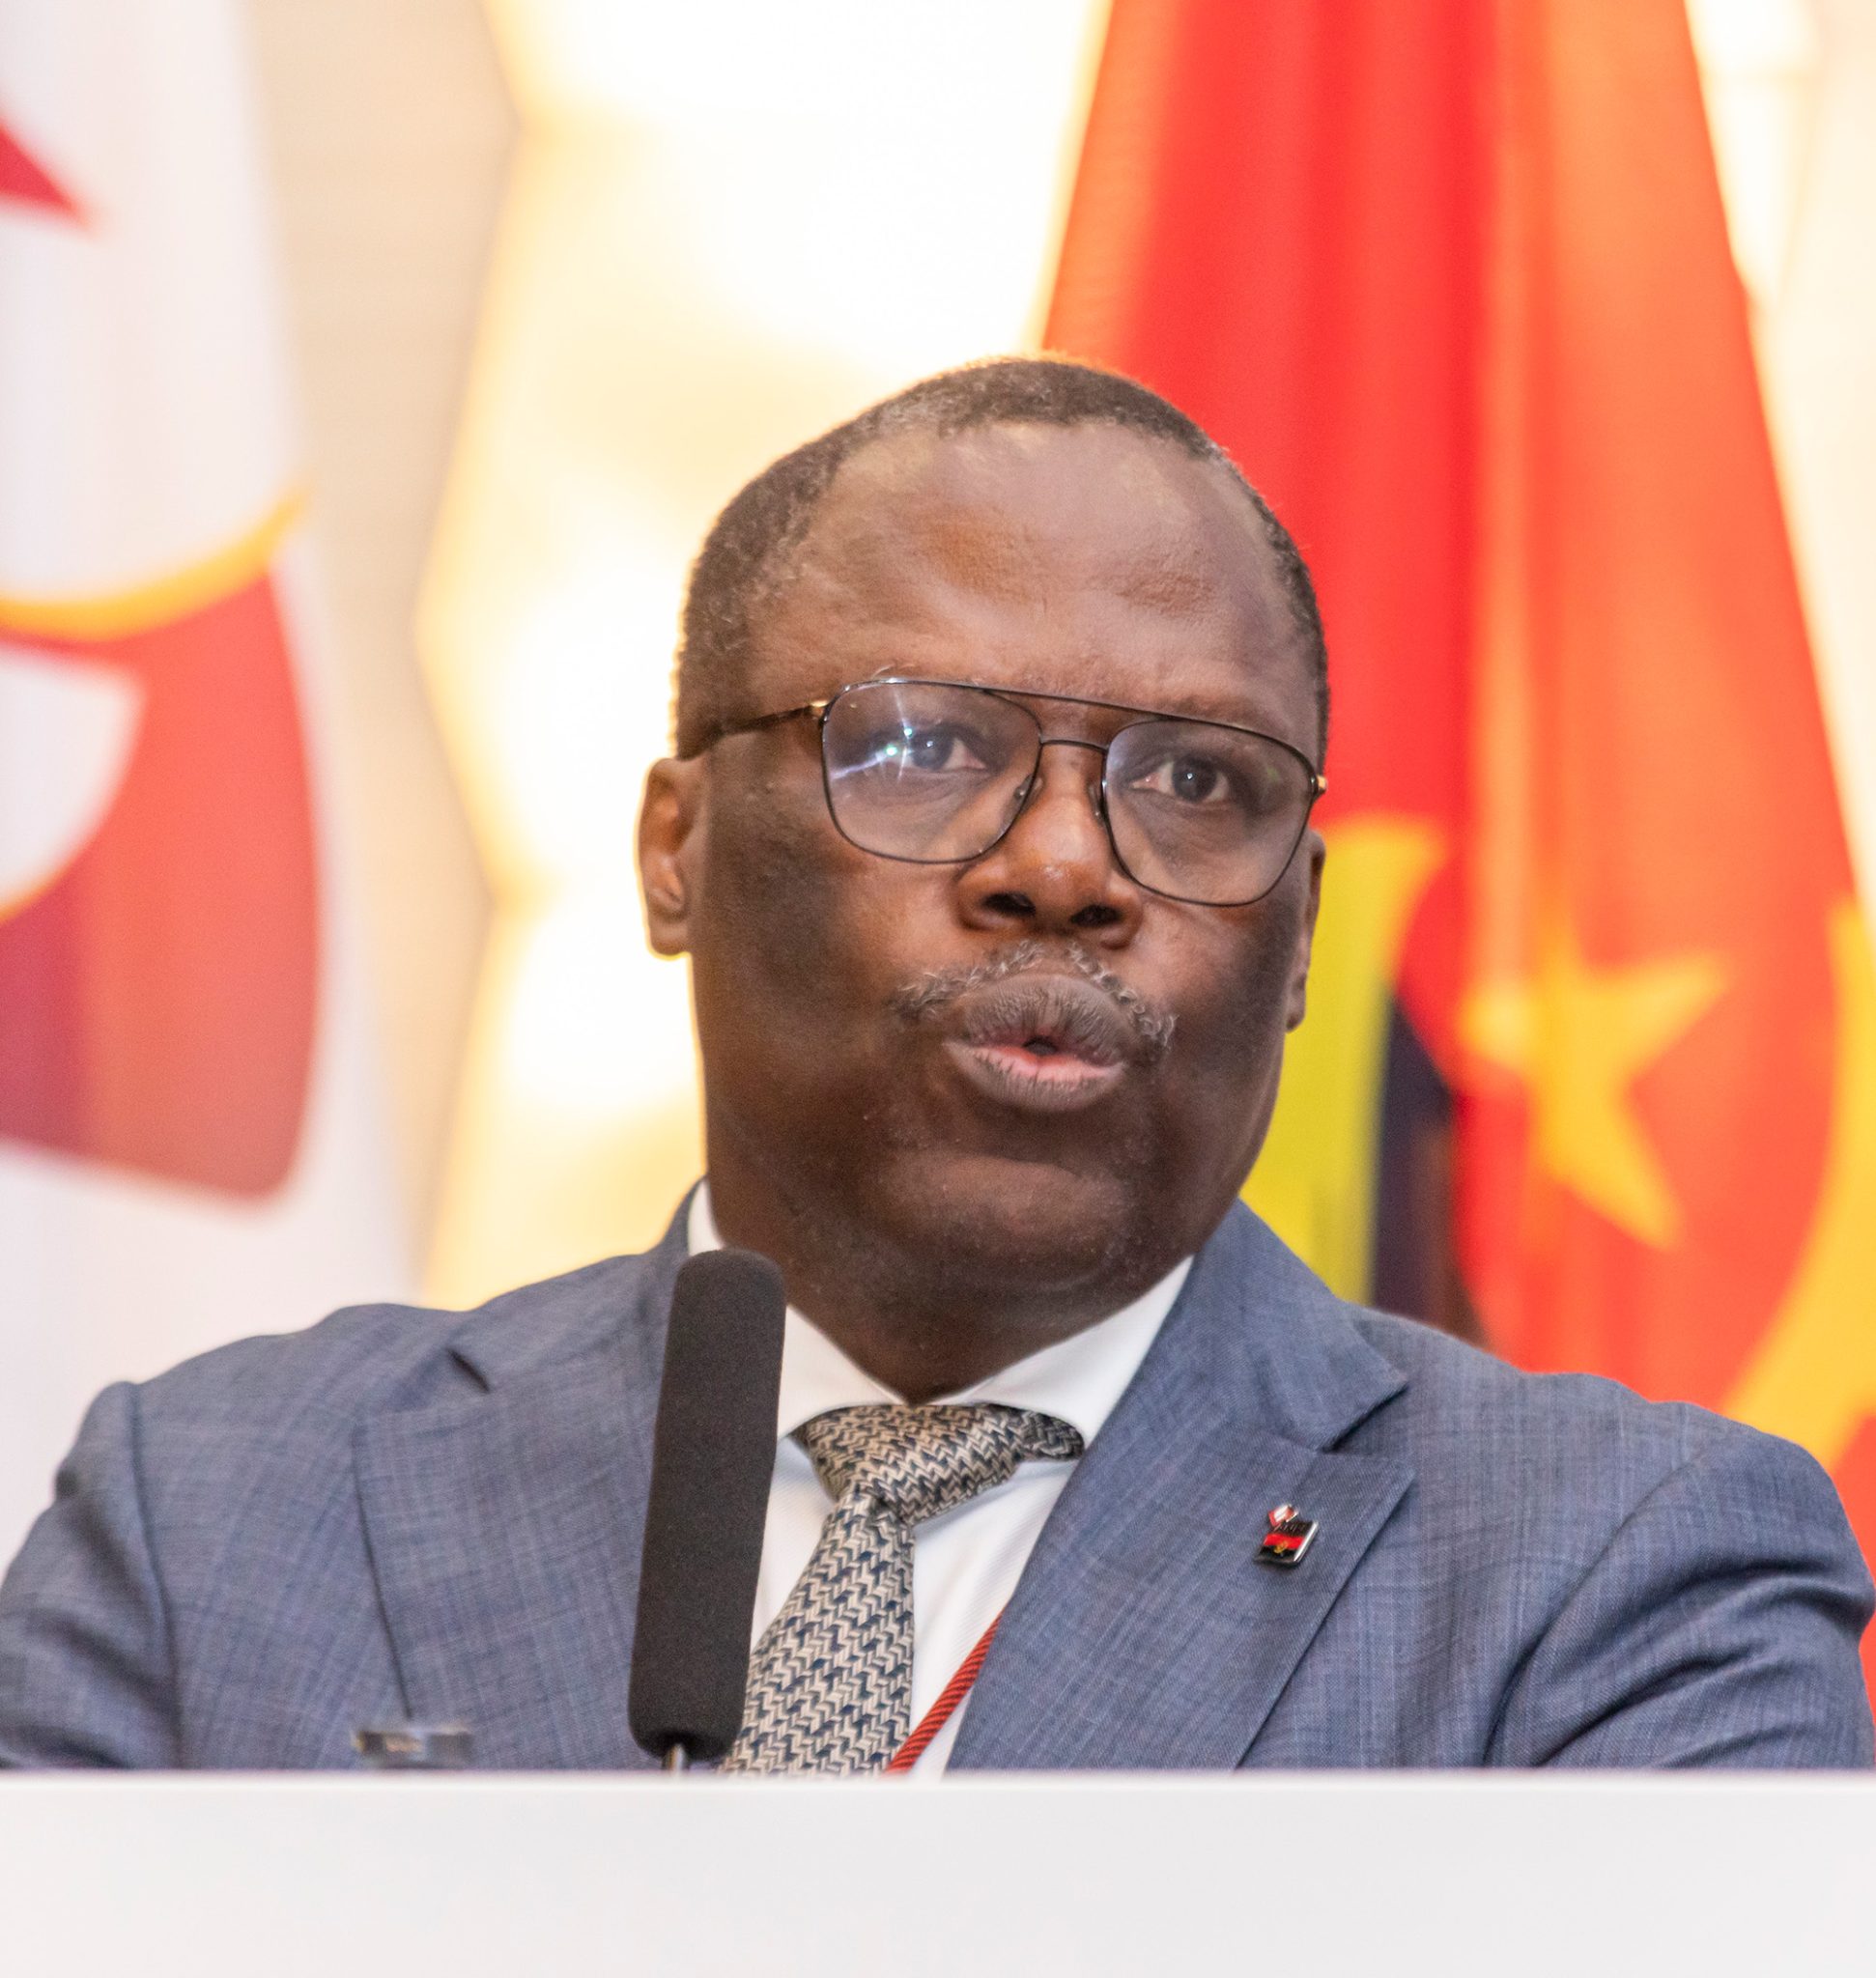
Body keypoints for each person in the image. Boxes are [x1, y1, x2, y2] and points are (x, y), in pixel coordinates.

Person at [0, 359, 1868, 1770]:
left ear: (1299, 933)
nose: (1061, 866)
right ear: (673, 848)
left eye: (1193, 781)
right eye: (921, 746)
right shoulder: (218, 1517)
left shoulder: (1612, 1583)